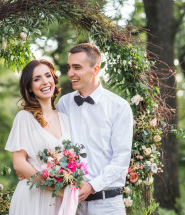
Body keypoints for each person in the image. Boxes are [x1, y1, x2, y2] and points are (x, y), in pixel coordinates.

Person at [56, 43, 133, 215]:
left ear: (95, 69)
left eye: (77, 67)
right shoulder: (64, 103)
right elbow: (57, 147)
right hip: (72, 204)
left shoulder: (119, 107)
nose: (70, 74)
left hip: (108, 205)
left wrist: (91, 186)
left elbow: (121, 159)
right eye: (69, 67)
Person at [5, 59, 71, 215]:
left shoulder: (65, 119)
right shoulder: (24, 117)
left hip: (59, 200)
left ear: (54, 79)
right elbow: (19, 163)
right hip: (33, 197)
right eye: (37, 79)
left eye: (48, 76)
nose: (44, 82)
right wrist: (53, 187)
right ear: (29, 87)